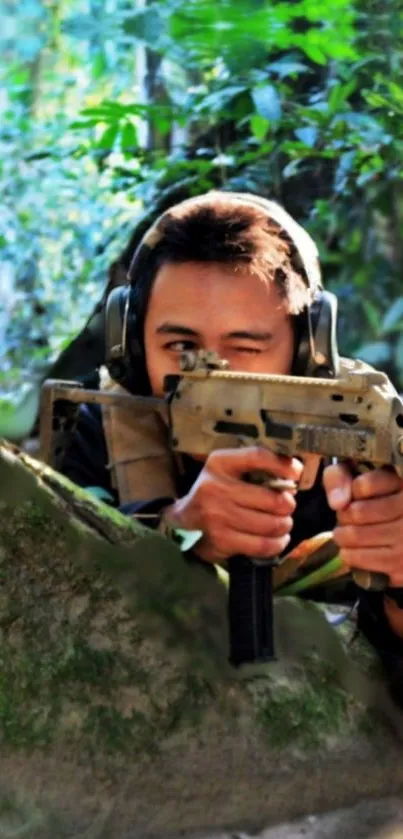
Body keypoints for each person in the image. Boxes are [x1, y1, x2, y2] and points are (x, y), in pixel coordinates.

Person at [60, 191, 403, 702]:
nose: (212, 373)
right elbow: (56, 628)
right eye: (181, 347)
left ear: (308, 353)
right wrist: (176, 537)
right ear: (133, 345)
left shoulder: (364, 433)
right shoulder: (108, 424)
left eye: (245, 348)